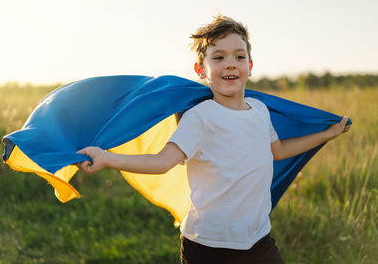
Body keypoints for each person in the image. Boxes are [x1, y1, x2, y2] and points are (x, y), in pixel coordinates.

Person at [77, 15, 350, 264]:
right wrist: (107, 158)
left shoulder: (259, 111)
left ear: (250, 66)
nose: (230, 63)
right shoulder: (200, 118)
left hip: (258, 238)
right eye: (218, 57)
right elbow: (162, 162)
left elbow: (277, 151)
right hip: (208, 246)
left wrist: (326, 134)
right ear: (201, 70)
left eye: (238, 56)